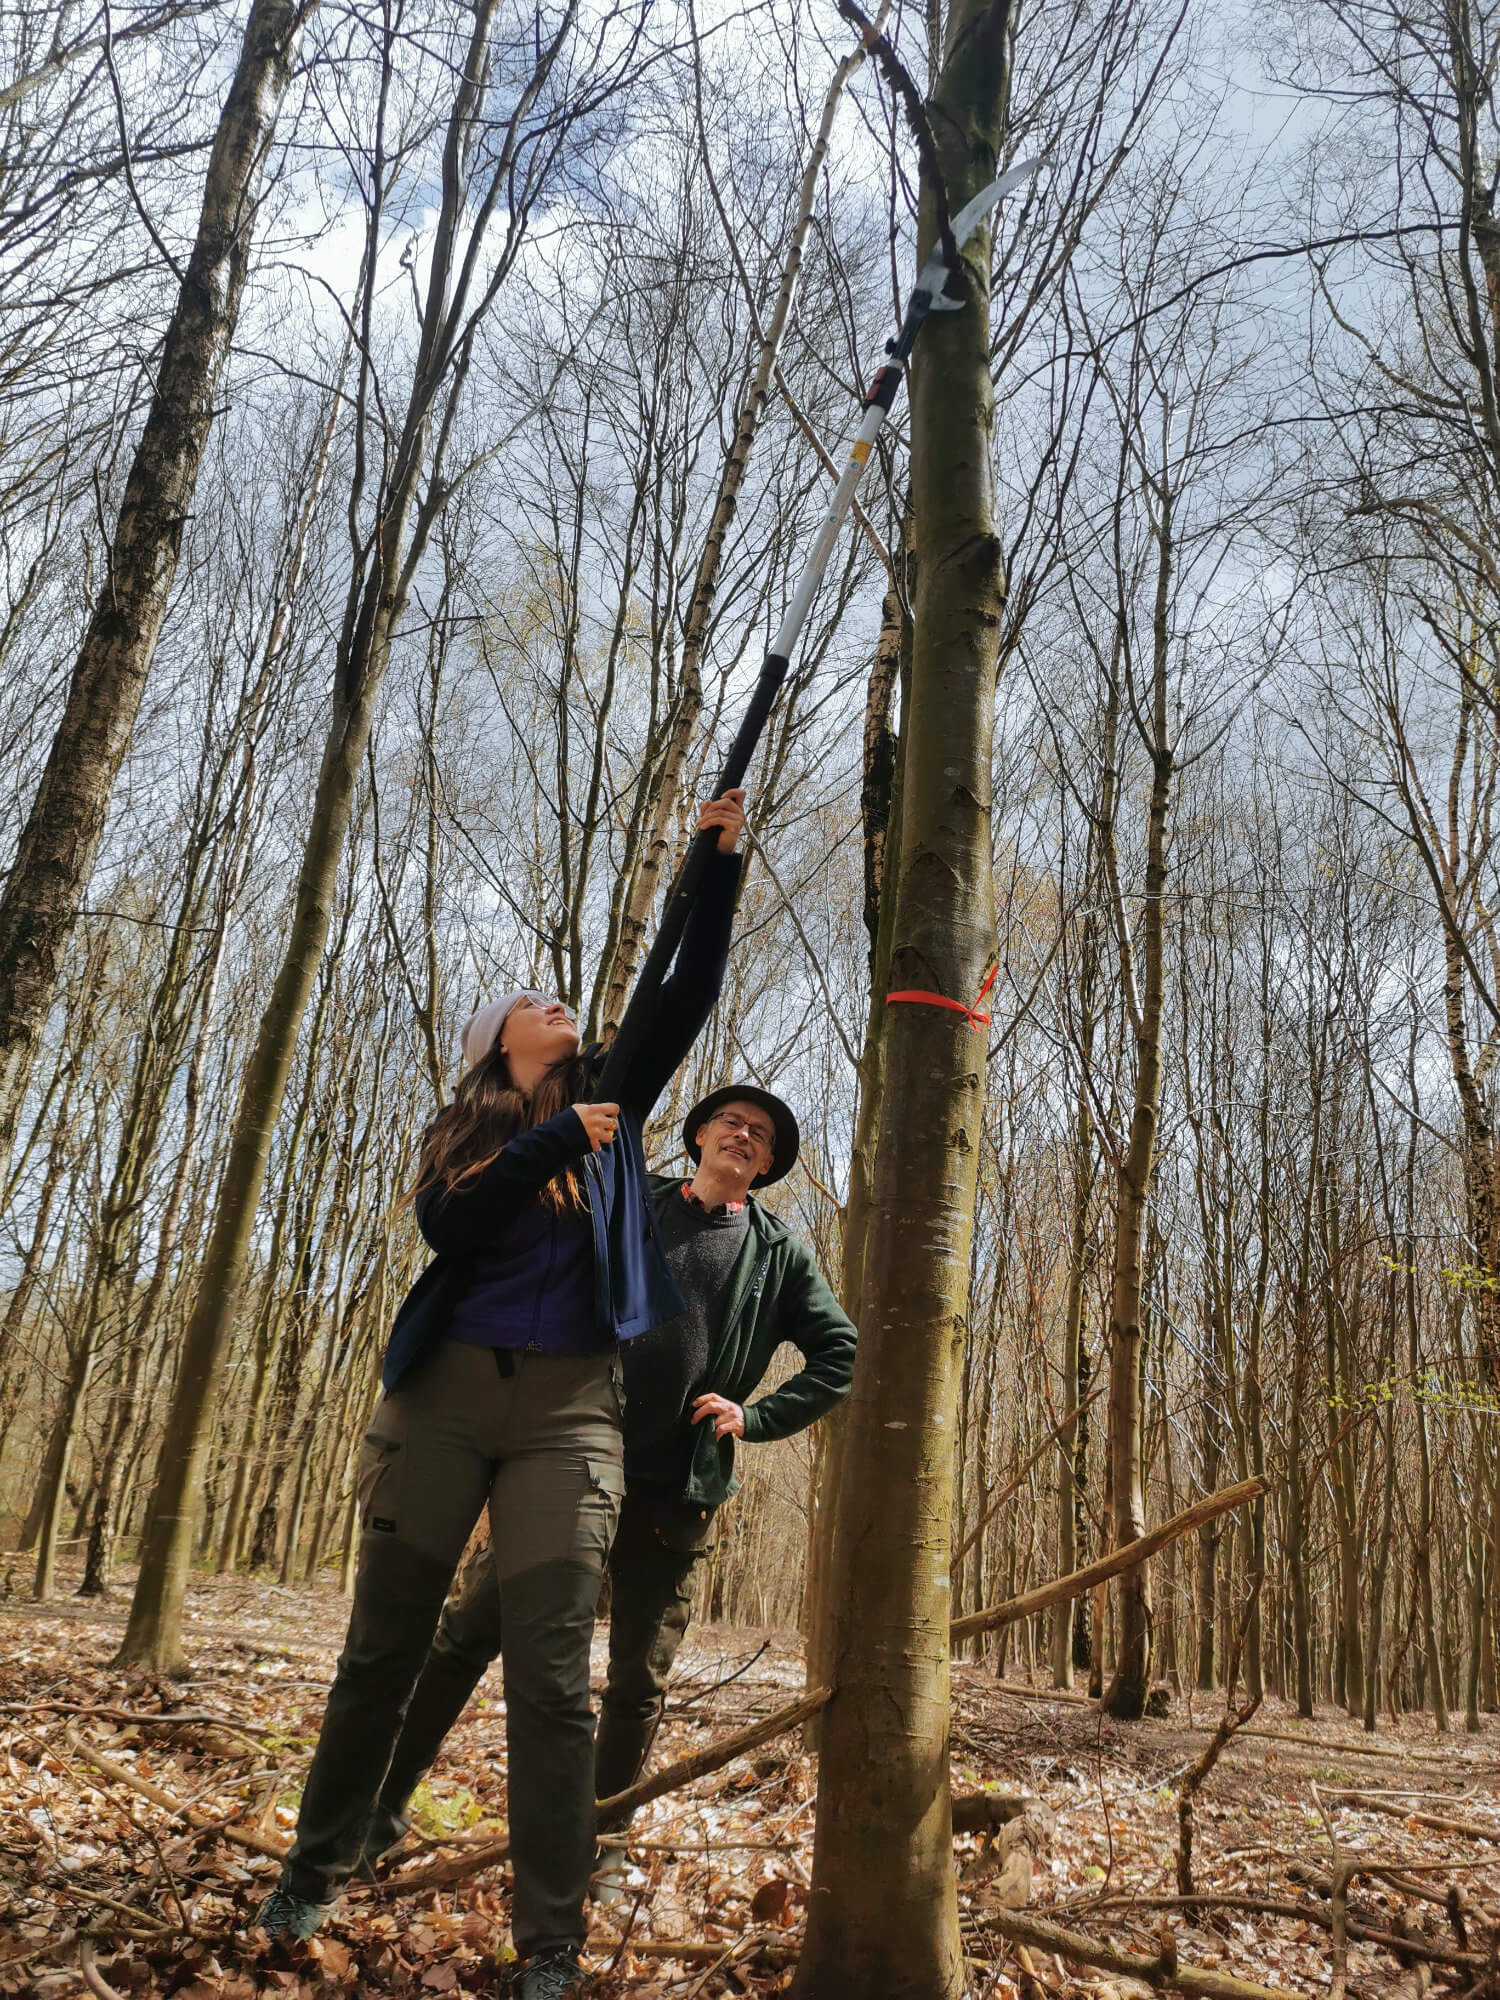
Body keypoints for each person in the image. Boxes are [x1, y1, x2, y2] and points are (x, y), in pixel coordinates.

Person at [259, 791, 748, 2000]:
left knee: (549, 1674)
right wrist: (549, 1142)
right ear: (497, 1043)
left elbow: (684, 995)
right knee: (382, 1648)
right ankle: (318, 1865)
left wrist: (719, 866)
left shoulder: (617, 1101)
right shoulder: (466, 1126)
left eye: (562, 1002)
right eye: (534, 1002)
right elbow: (449, 1221)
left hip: (571, 1413)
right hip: (443, 1402)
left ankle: (549, 1943)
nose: (557, 1004)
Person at [350, 1082, 857, 1903]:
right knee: (467, 1635)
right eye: (732, 1122)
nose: (744, 1136)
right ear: (698, 1136)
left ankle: (603, 1847)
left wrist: (755, 1417)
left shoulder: (778, 1253)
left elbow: (840, 1354)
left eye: (761, 1137)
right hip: (569, 1466)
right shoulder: (631, 1199)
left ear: (766, 1168)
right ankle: (375, 1813)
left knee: (636, 1683)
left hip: (673, 1498)